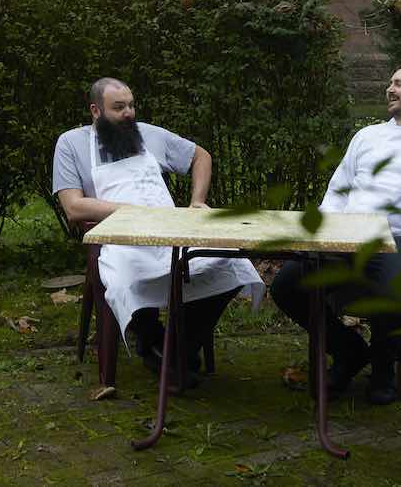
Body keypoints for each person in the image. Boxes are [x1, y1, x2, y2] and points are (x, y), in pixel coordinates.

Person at [271, 62, 401, 405]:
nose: (389, 89)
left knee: (394, 282)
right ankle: (349, 352)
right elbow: (338, 192)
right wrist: (322, 231)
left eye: (399, 83)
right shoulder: (366, 137)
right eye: (389, 84)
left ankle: (383, 371)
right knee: (287, 285)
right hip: (347, 236)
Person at [52, 77, 264, 379]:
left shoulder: (149, 135)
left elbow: (200, 156)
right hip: (119, 239)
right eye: (118, 108)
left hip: (171, 232)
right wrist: (134, 213)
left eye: (131, 105)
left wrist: (197, 202)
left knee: (230, 261)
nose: (129, 113)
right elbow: (74, 207)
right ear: (95, 111)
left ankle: (174, 348)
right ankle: (157, 342)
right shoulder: (71, 144)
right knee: (129, 275)